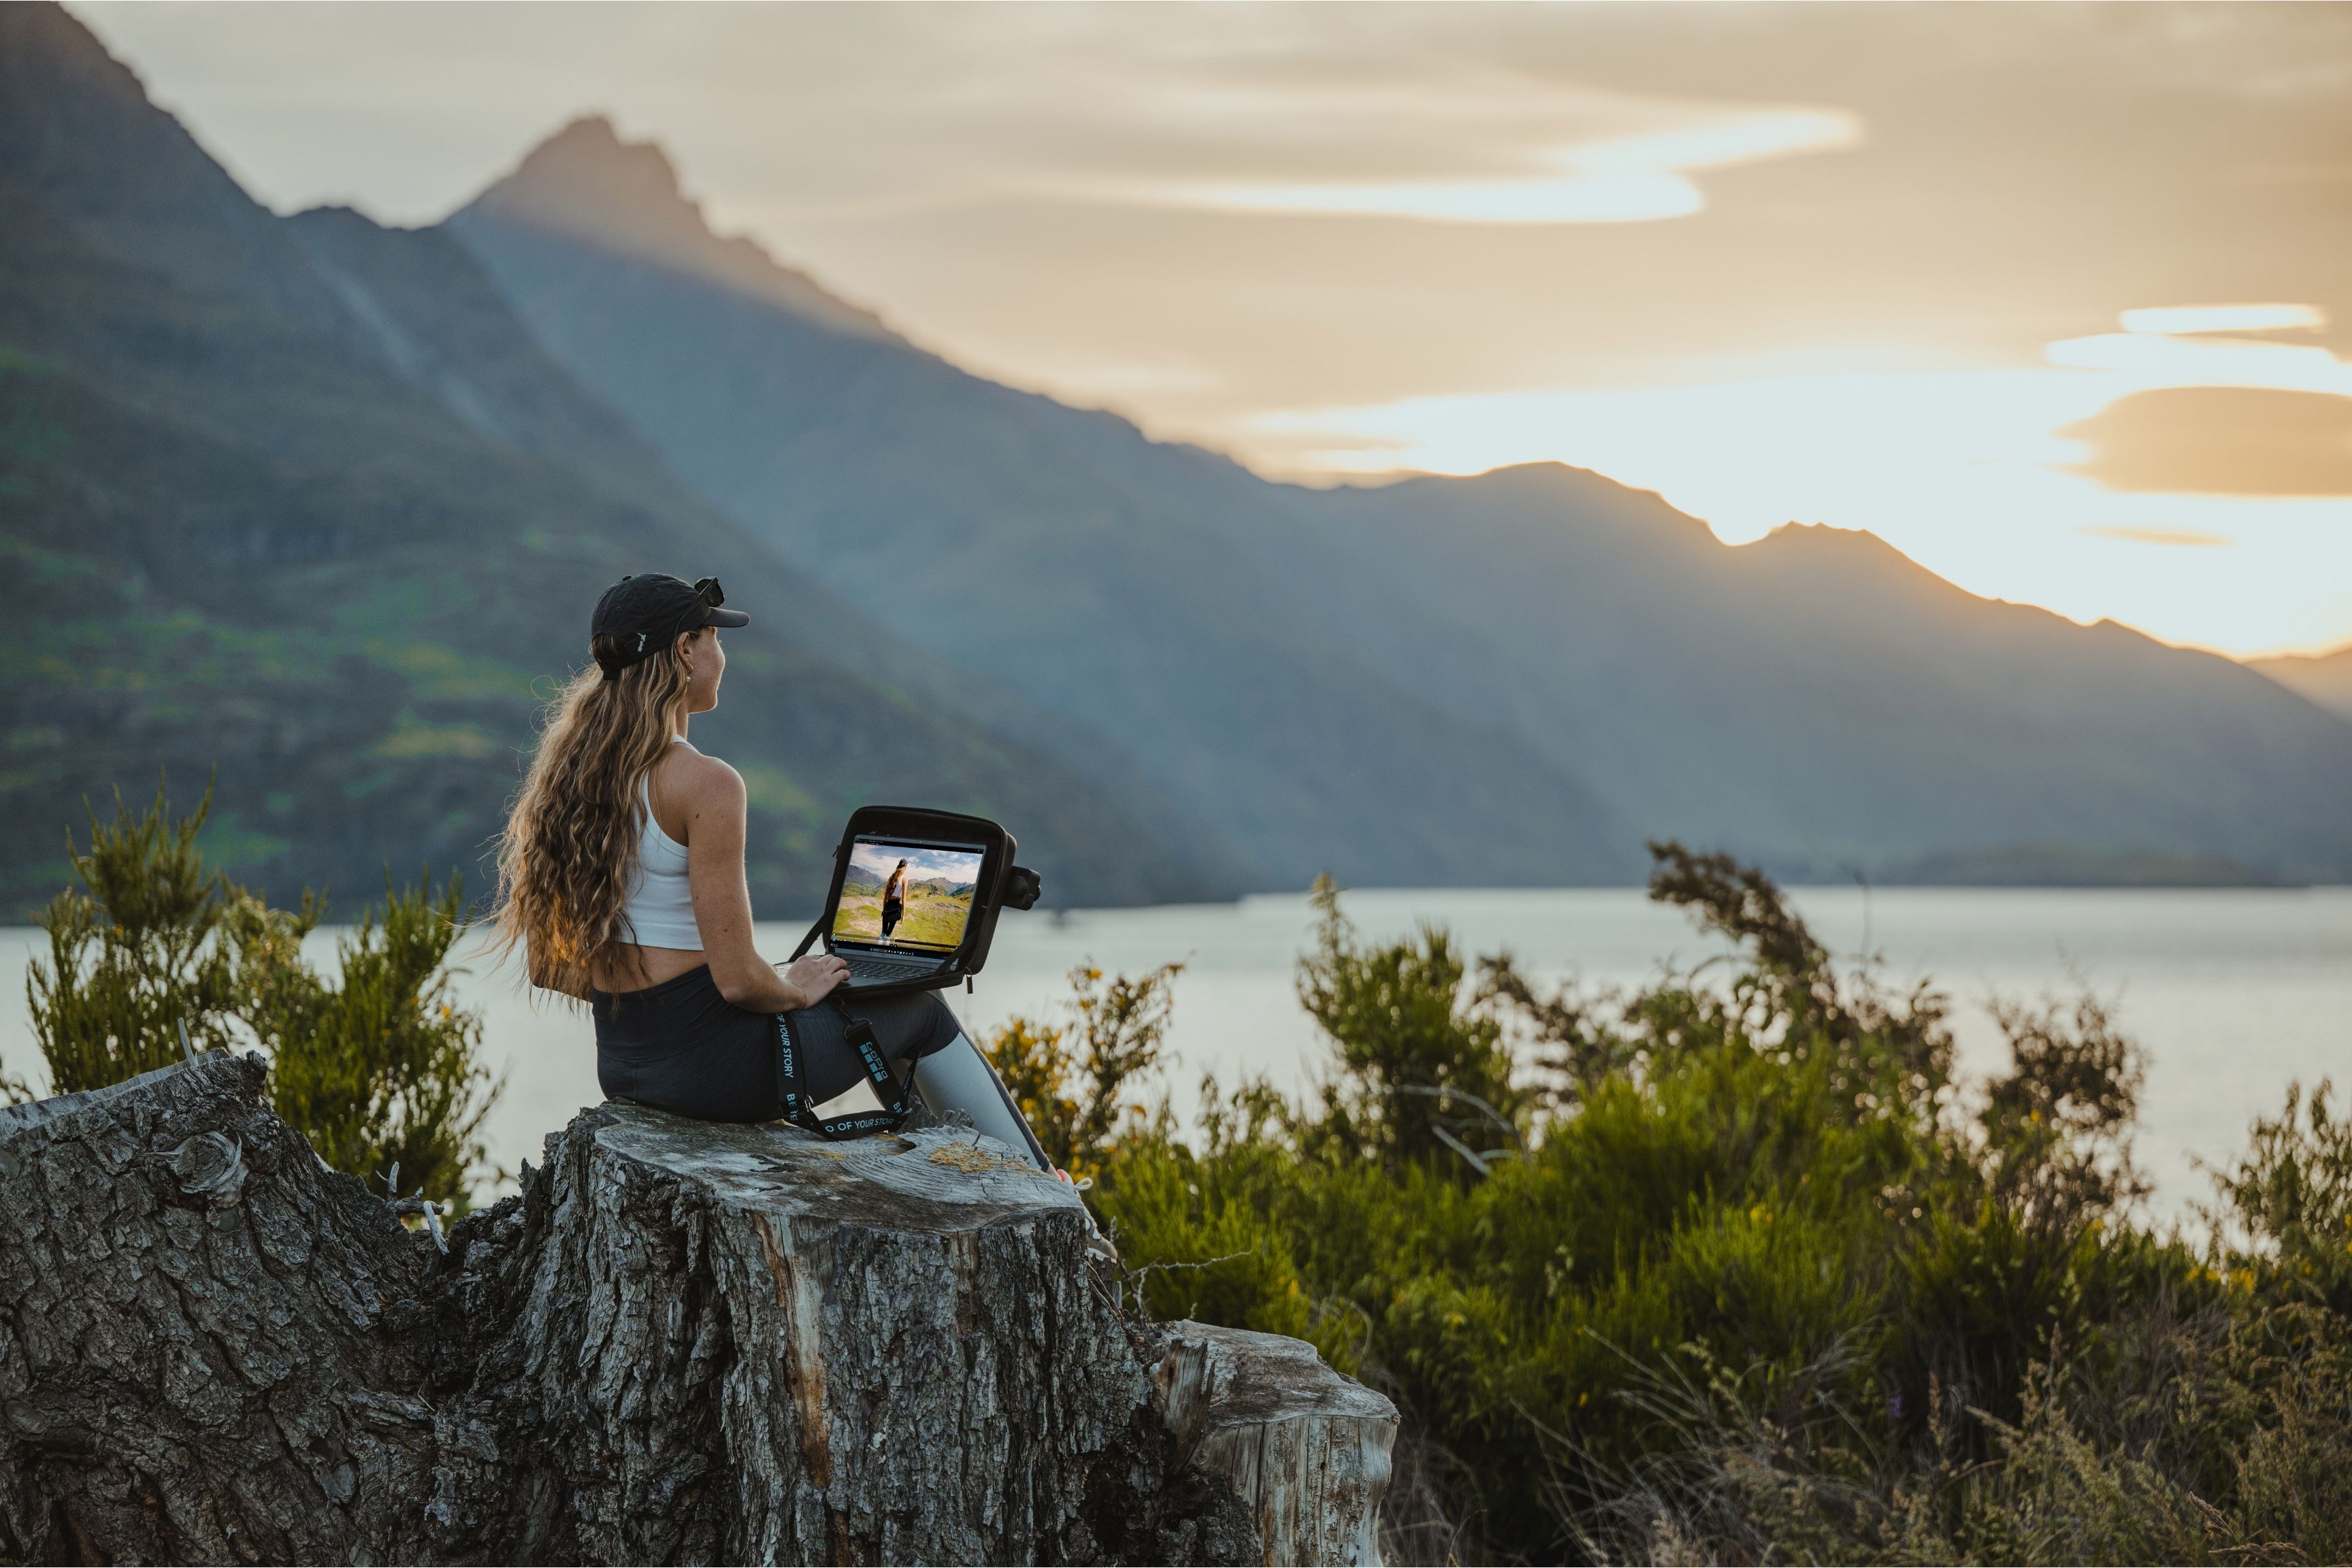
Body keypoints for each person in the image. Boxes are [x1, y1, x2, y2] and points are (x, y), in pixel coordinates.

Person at [491, 573, 1081, 1218]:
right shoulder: (706, 784)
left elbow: (549, 966)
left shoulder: (573, 777)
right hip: (714, 1076)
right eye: (717, 639)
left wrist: (662, 998)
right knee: (922, 1010)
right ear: (687, 648)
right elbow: (741, 985)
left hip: (628, 1066)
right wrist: (796, 986)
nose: (724, 656)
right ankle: (1046, 1200)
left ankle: (961, 1176)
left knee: (846, 1002)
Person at [879, 859, 909, 946]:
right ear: (905, 867)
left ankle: (876, 949)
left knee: (883, 932)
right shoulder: (904, 879)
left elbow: (885, 898)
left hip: (888, 905)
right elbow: (903, 899)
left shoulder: (891, 878)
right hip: (896, 907)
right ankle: (885, 952)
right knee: (889, 934)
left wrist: (884, 910)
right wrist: (903, 914)